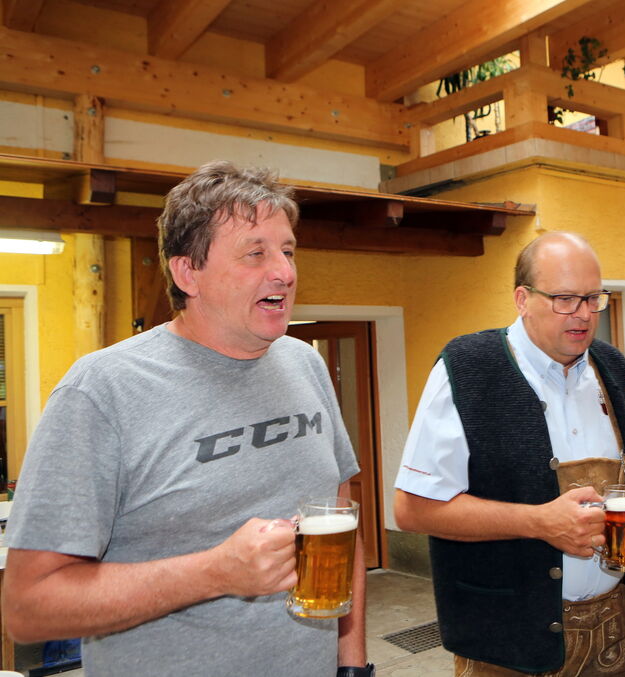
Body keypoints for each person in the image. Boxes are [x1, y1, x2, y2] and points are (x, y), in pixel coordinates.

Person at [2, 161, 371, 677]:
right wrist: (215, 572)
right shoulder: (102, 390)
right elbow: (28, 607)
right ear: (186, 273)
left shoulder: (303, 363)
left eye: (287, 251)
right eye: (255, 253)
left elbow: (340, 515)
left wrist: (353, 666)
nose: (285, 273)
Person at [395, 232, 625, 676]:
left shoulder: (615, 369)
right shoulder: (468, 368)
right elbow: (412, 508)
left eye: (593, 298)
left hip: (616, 632)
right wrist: (539, 523)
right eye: (564, 299)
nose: (583, 314)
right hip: (508, 643)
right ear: (522, 299)